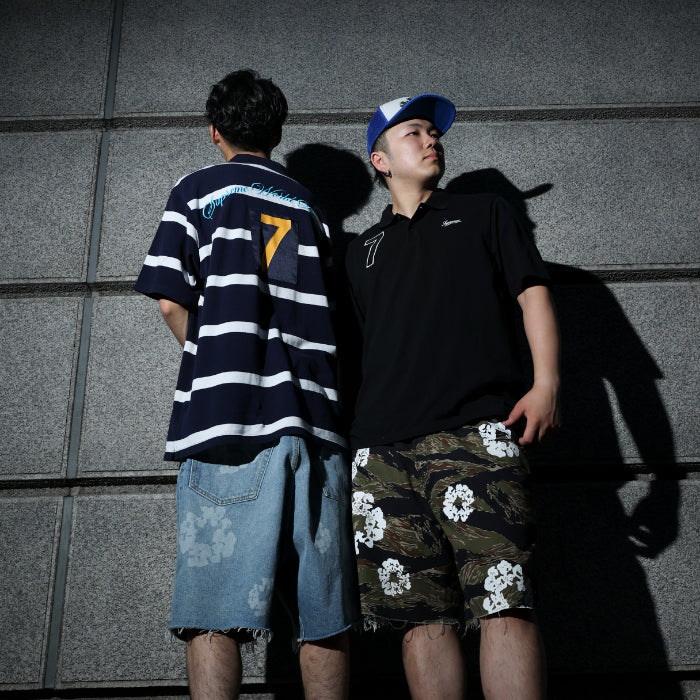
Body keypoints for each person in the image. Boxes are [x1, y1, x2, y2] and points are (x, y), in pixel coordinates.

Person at [135, 69, 358, 700]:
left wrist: (212, 357)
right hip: (314, 423)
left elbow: (170, 301)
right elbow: (337, 326)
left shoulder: (197, 191)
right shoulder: (311, 208)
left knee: (214, 609)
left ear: (215, 131)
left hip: (227, 422)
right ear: (275, 133)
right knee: (323, 611)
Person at [345, 94, 560, 699]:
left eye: (434, 133)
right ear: (380, 160)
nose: (431, 140)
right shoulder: (361, 251)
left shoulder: (485, 212)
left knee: (503, 600)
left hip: (475, 434)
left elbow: (533, 294)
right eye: (413, 133)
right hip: (381, 454)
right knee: (419, 619)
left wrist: (546, 384)